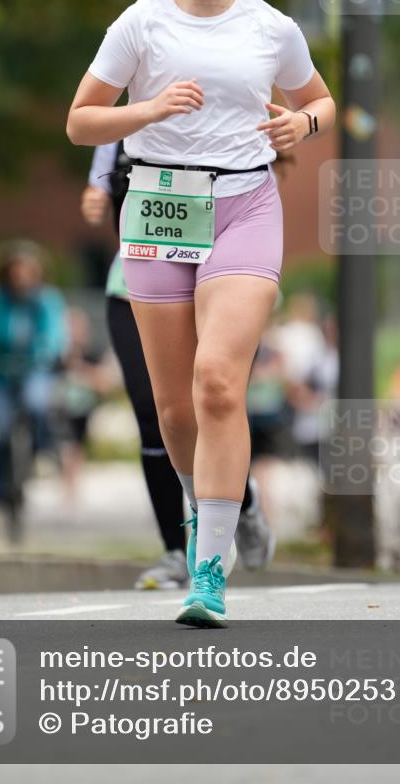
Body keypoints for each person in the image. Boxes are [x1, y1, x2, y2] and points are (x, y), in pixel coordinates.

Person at [67, 0, 335, 627]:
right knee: (175, 408)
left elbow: (319, 99)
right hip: (158, 206)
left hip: (244, 202)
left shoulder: (272, 28)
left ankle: (208, 572)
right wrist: (148, 109)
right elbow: (81, 122)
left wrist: (302, 124)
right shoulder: (140, 23)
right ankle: (215, 506)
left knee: (218, 382)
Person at [81, 142, 276, 589]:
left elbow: (269, 167)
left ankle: (239, 505)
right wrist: (96, 194)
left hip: (223, 275)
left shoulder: (233, 108)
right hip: (138, 278)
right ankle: (176, 548)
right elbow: (99, 169)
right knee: (159, 413)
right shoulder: (129, 118)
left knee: (214, 400)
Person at [0, 241, 68, 529]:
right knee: (2, 430)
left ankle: (41, 451)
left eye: (27, 274)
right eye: (16, 274)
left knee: (37, 405)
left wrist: (49, 352)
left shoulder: (46, 299)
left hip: (34, 367)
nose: (21, 280)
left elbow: (55, 334)